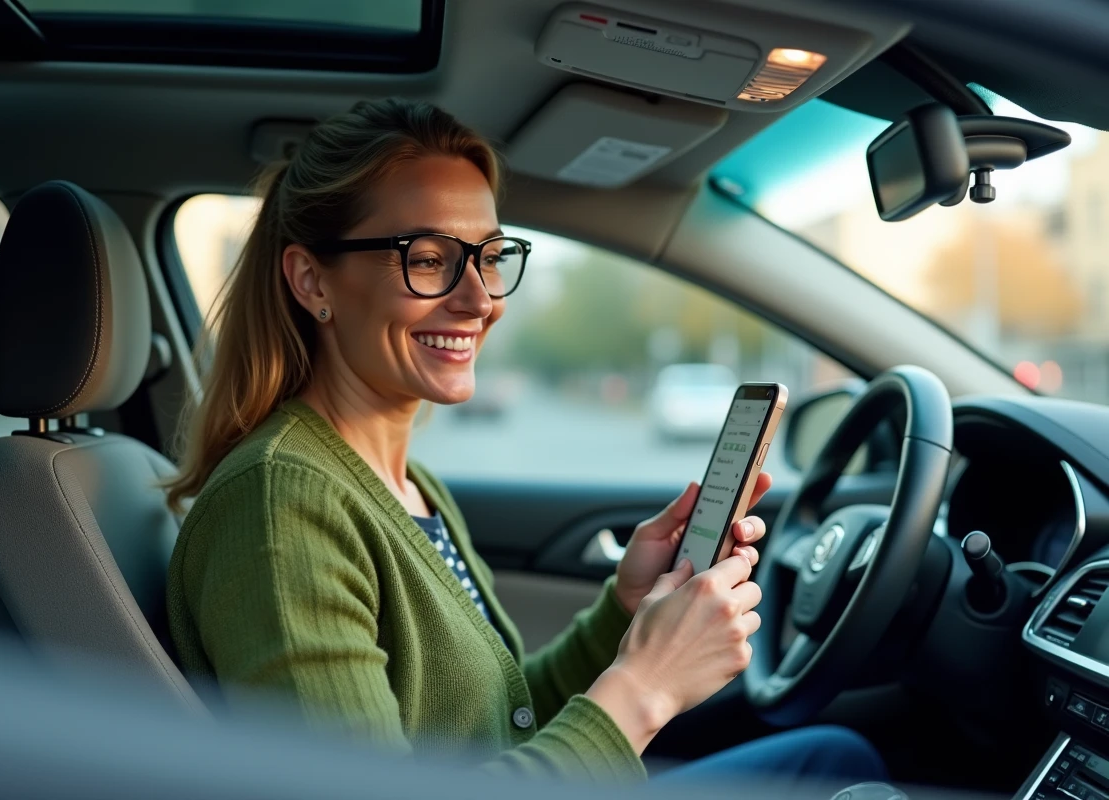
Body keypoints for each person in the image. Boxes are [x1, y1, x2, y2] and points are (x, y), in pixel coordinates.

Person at [164, 98, 887, 792]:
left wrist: (624, 615)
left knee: (833, 755)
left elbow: (493, 725)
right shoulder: (280, 505)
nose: (480, 299)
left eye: (489, 255)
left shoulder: (405, 485)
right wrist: (645, 690)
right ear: (311, 280)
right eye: (427, 258)